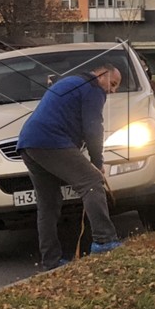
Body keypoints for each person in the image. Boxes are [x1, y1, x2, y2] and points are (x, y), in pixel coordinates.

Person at [16, 61, 123, 268]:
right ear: (101, 75)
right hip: (51, 141)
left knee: (48, 203)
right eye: (113, 83)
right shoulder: (92, 88)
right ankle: (104, 240)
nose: (112, 90)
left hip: (28, 144)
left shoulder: (71, 82)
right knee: (91, 181)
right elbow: (93, 128)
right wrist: (97, 162)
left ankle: (51, 260)